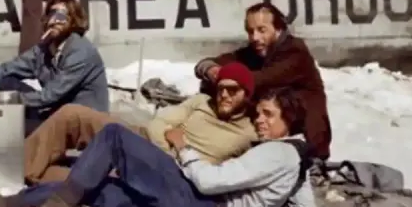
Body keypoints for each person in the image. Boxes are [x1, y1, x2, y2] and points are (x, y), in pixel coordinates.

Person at [0, 88, 316, 207]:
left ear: (290, 121)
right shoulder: (295, 159)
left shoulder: (277, 152)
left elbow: (212, 182)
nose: (260, 121)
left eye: (268, 115)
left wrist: (184, 149)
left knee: (115, 137)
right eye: (261, 113)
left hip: (199, 205)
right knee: (90, 186)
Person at [23, 62, 257, 184]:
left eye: (233, 90)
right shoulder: (202, 101)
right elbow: (159, 123)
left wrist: (175, 152)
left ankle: (34, 174)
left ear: (246, 94)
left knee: (92, 175)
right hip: (145, 139)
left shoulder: (248, 134)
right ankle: (20, 169)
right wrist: (168, 146)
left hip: (166, 170)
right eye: (221, 88)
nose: (224, 95)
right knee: (73, 114)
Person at [194, 2, 333, 160]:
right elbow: (206, 63)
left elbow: (259, 80)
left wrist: (224, 77)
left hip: (306, 144)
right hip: (273, 138)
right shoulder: (255, 51)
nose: (255, 37)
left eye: (262, 30)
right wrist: (210, 69)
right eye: (250, 31)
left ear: (278, 29)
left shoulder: (295, 52)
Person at [0, 0, 109, 136]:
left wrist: (3, 99)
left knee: (13, 128)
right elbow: (7, 68)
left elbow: (49, 96)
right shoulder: (45, 48)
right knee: (5, 82)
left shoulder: (81, 51)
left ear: (74, 21)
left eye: (62, 15)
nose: (54, 21)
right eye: (51, 14)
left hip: (82, 121)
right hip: (56, 111)